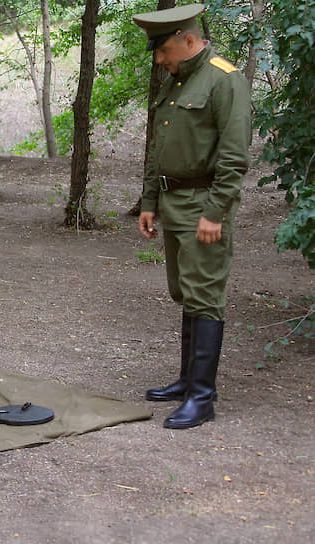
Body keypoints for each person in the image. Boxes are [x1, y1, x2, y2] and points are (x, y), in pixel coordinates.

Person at [133, 4, 251, 429]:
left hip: (204, 204)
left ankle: (203, 398)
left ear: (187, 38)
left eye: (164, 50)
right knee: (186, 291)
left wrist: (216, 211)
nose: (160, 60)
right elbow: (158, 145)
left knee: (206, 296)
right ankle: (186, 381)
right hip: (172, 203)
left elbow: (235, 155)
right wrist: (149, 201)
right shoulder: (178, 80)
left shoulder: (224, 79)